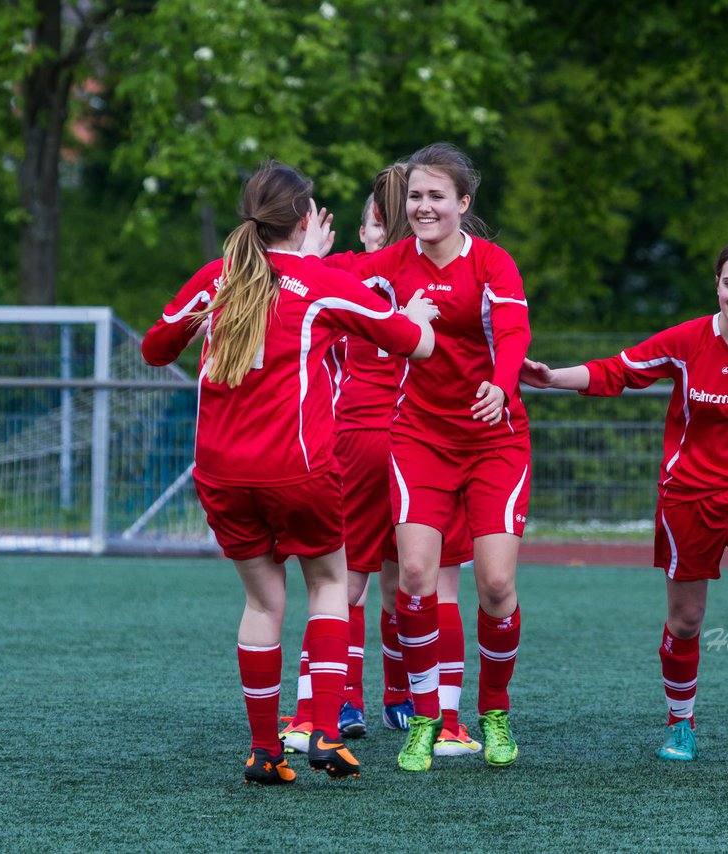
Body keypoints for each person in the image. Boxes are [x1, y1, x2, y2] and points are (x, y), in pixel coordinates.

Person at [141, 161, 439, 785]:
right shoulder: (320, 281)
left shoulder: (218, 280)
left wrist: (204, 321)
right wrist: (418, 314)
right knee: (330, 585)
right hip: (295, 468)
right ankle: (326, 735)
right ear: (306, 220)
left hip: (220, 472)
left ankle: (263, 750)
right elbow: (414, 344)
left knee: (261, 601)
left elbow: (154, 349)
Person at [520, 237, 728, 769]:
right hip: (687, 497)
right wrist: (553, 378)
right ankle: (681, 725)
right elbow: (615, 371)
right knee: (686, 620)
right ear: (717, 283)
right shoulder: (689, 339)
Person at [333, 143, 532, 772]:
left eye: (436, 196)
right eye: (415, 196)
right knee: (415, 577)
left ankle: (493, 712)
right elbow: (327, 286)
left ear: (462, 203)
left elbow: (516, 332)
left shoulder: (493, 264)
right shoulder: (392, 263)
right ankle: (426, 719)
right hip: (419, 436)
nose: (423, 206)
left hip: (494, 436)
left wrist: (502, 385)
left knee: (497, 584)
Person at [281, 177, 483, 760]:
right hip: (433, 440)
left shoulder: (347, 275)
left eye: (369, 221)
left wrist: (307, 252)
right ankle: (440, 718)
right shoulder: (458, 274)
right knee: (428, 582)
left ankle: (318, 710)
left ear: (382, 227)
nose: (362, 231)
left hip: (363, 438)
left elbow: (288, 275)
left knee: (341, 582)